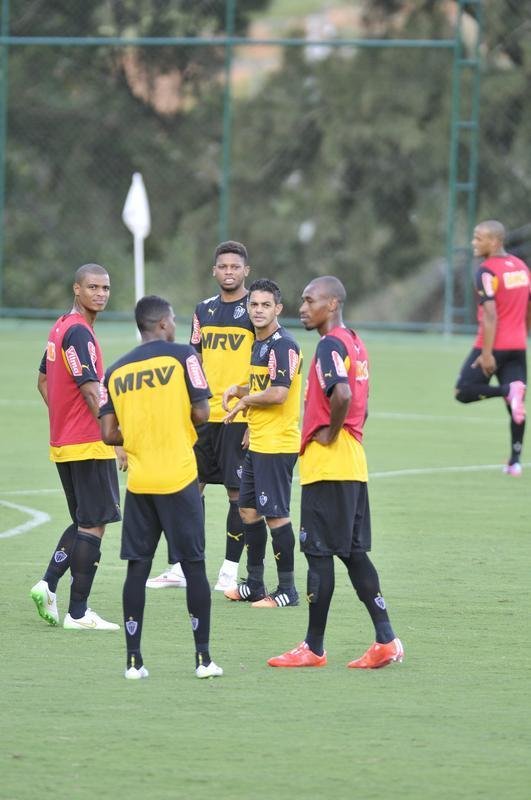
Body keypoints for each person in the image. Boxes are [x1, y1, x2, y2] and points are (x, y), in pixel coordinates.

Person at [268, 276, 403, 668]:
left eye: (310, 300)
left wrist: (330, 430)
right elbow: (363, 400)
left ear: (332, 304)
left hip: (330, 465)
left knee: (319, 553)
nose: (303, 307)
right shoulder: (355, 342)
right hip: (352, 461)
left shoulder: (329, 344)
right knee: (353, 553)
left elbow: (341, 394)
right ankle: (386, 640)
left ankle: (313, 648)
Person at [100, 295, 223, 680]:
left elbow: (107, 434)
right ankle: (203, 660)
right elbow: (203, 412)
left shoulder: (116, 371)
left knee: (137, 569)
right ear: (165, 324)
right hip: (179, 478)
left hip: (140, 482)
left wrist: (137, 432)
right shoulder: (183, 356)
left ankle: (133, 662)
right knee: (195, 566)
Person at [146, 241, 254, 592]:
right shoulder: (203, 310)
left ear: (245, 271)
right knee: (190, 488)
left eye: (235, 267)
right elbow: (193, 360)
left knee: (237, 495)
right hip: (203, 415)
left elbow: (267, 363)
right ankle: (180, 566)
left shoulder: (256, 310)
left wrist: (254, 413)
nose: (228, 272)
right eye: (222, 266)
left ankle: (228, 570)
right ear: (214, 271)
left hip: (238, 415)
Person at [30, 263, 123, 631]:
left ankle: (47, 583)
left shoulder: (60, 328)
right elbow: (89, 389)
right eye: (93, 287)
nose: (100, 293)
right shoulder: (80, 334)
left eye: (105, 288)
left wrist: (62, 418)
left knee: (84, 521)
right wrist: (114, 435)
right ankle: (79, 613)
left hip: (65, 443)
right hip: (88, 443)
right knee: (95, 523)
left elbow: (42, 380)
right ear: (77, 289)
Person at [222, 278, 302, 608]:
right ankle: (254, 584)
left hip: (277, 444)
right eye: (254, 304)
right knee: (247, 510)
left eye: (265, 305)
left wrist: (245, 402)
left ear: (278, 309)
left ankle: (287, 590)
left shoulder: (284, 344)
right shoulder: (259, 344)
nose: (258, 310)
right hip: (258, 441)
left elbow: (279, 393)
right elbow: (262, 384)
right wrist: (239, 390)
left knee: (276, 516)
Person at [455, 219, 531, 476]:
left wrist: (487, 354)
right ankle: (515, 462)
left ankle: (507, 390)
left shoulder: (487, 271)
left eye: (479, 238)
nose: (473, 243)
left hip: (492, 345)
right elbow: (528, 307)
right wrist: (524, 334)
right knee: (517, 407)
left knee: (463, 391)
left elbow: (490, 315)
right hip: (518, 346)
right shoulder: (521, 268)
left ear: (495, 241)